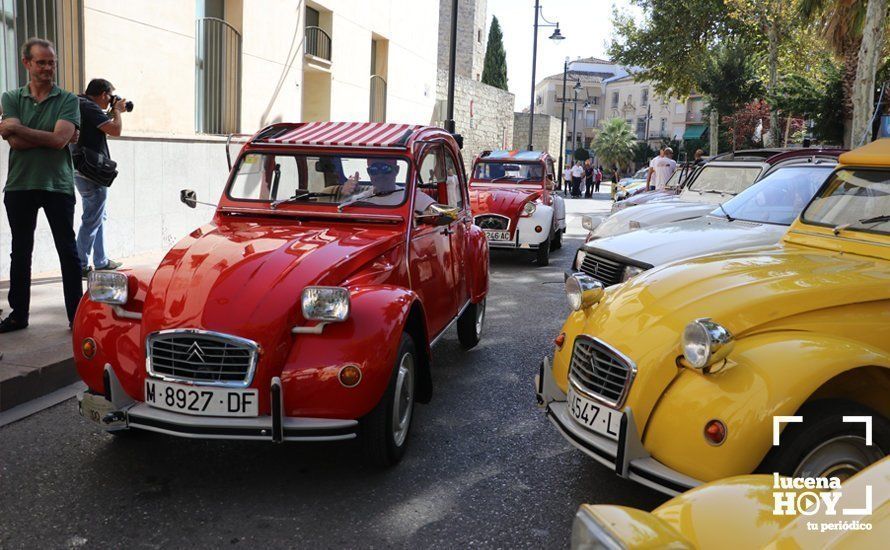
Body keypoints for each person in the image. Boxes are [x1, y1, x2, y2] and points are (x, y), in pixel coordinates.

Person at [0, 38, 81, 333]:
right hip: (20, 185)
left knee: (68, 252)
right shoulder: (10, 97)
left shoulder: (68, 99)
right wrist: (46, 135)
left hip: (58, 185)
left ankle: (77, 316)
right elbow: (17, 144)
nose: (49, 68)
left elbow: (59, 139)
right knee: (20, 252)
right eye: (42, 62)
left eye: (52, 62)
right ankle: (18, 315)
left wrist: (15, 127)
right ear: (27, 63)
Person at [73, 78, 127, 278]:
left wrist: (112, 110)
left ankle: (101, 260)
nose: (111, 101)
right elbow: (116, 130)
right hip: (92, 172)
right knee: (92, 218)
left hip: (82, 168)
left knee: (97, 215)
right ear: (103, 94)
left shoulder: (80, 104)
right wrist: (118, 111)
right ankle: (80, 264)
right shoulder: (89, 107)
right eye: (110, 97)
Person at [341, 158, 435, 213]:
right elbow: (340, 213)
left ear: (396, 170)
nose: (380, 175)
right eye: (373, 170)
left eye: (385, 169)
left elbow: (438, 211)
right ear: (368, 172)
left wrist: (419, 217)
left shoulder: (412, 196)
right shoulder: (361, 198)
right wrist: (346, 195)